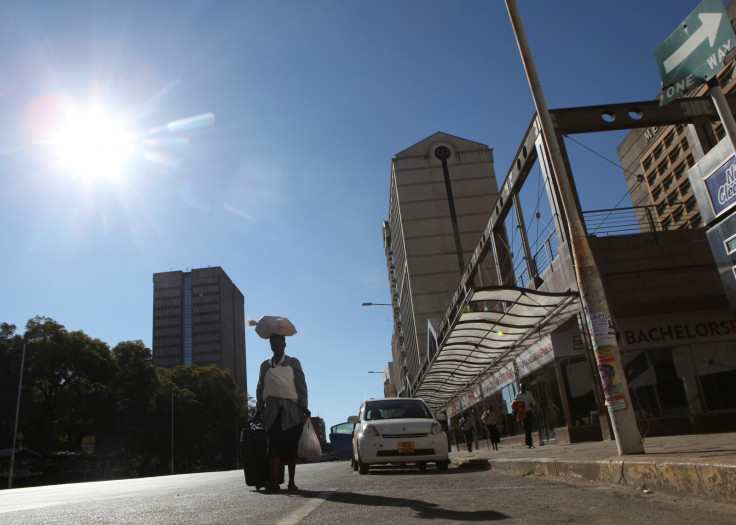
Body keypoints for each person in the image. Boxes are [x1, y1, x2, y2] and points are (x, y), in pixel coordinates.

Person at [254, 334, 310, 492]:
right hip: (272, 411)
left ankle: (291, 482)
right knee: (273, 446)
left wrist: (303, 406)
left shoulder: (293, 362)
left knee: (292, 447)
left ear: (284, 344)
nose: (276, 346)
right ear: (270, 345)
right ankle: (274, 481)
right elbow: (260, 388)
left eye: (279, 343)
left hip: (291, 410)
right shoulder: (265, 365)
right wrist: (259, 409)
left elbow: (301, 386)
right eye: (273, 343)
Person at [512, 383, 537, 449]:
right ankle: (528, 444)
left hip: (528, 412)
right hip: (522, 413)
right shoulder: (518, 395)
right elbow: (515, 404)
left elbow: (534, 402)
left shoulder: (529, 394)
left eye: (524, 387)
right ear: (520, 388)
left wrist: (532, 404)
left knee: (529, 428)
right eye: (521, 387)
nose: (523, 388)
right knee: (526, 428)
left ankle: (530, 443)